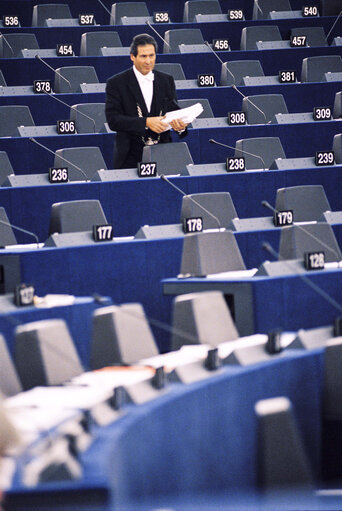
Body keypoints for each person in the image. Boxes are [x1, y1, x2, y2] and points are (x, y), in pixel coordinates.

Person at [105, 33, 188, 169]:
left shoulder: (166, 80)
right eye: (143, 56)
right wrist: (146, 122)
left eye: (152, 56)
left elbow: (173, 110)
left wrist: (180, 126)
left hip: (163, 155)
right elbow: (114, 120)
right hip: (130, 158)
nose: (148, 61)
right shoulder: (116, 83)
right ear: (133, 57)